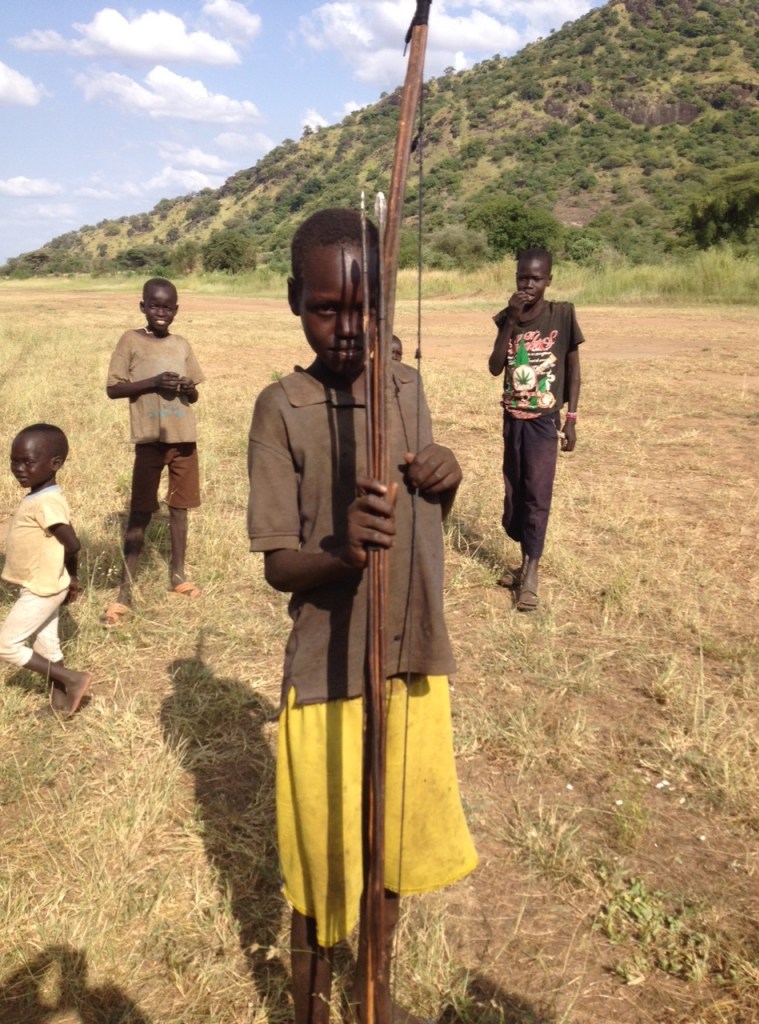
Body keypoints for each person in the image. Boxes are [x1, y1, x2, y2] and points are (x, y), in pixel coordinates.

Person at [248, 208, 476, 1024]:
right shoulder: (282, 408)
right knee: (322, 871)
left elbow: (425, 496)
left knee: (390, 861)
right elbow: (280, 563)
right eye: (325, 308)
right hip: (328, 673)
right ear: (293, 301)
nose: (347, 330)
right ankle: (310, 1007)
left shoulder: (406, 389)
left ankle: (377, 994)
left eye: (364, 308)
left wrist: (446, 477)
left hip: (409, 664)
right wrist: (342, 550)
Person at [102, 278, 205, 626]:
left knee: (180, 508)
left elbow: (193, 397)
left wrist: (188, 388)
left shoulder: (181, 344)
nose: (161, 312)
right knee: (141, 511)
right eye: (154, 306)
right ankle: (125, 590)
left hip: (183, 438)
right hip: (149, 440)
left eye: (168, 307)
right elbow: (114, 389)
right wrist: (153, 382)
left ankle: (178, 575)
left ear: (176, 310)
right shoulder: (130, 341)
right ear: (142, 306)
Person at [488, 247, 583, 611]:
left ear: (549, 280)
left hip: (544, 422)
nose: (528, 284)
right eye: (522, 278)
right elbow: (496, 367)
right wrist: (511, 321)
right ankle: (524, 555)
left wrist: (571, 418)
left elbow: (574, 370)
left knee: (537, 495)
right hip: (512, 418)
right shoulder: (507, 317)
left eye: (536, 279)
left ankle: (531, 572)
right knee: (514, 495)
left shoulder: (562, 314)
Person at [0, 424, 91, 715]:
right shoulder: (41, 496)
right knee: (47, 646)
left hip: (41, 589)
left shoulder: (46, 503)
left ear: (55, 464)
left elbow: (72, 543)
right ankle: (62, 703)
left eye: (28, 462)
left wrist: (72, 575)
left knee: (6, 645)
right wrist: (71, 578)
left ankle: (72, 679)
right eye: (14, 461)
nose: (19, 468)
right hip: (46, 583)